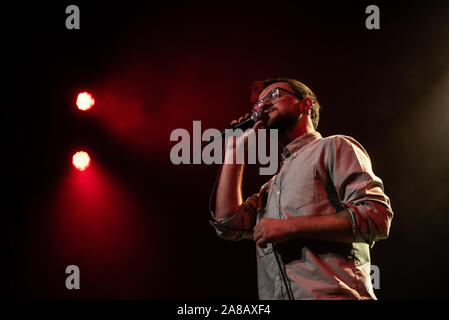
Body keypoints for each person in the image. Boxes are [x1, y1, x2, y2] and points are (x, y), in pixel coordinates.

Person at [210, 78, 394, 300]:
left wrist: (289, 226)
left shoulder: (334, 146)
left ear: (305, 104)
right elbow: (227, 224)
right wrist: (234, 153)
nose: (263, 105)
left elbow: (377, 217)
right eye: (258, 103)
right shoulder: (270, 188)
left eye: (274, 95)